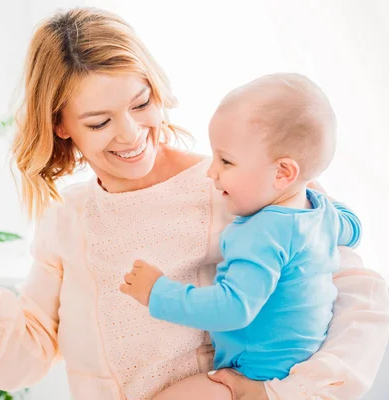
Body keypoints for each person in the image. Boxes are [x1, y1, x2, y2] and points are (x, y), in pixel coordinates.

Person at [0, 7, 389, 400]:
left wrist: (271, 394)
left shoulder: (239, 182)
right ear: (61, 125)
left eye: (141, 103)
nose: (131, 135)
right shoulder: (71, 220)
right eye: (99, 122)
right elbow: (23, 361)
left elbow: (359, 308)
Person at [121, 73, 362, 399]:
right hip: (298, 367)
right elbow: (354, 227)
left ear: (283, 173)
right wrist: (309, 185)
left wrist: (158, 292)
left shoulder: (263, 234)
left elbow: (231, 308)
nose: (211, 171)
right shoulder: (320, 213)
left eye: (226, 161)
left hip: (255, 372)